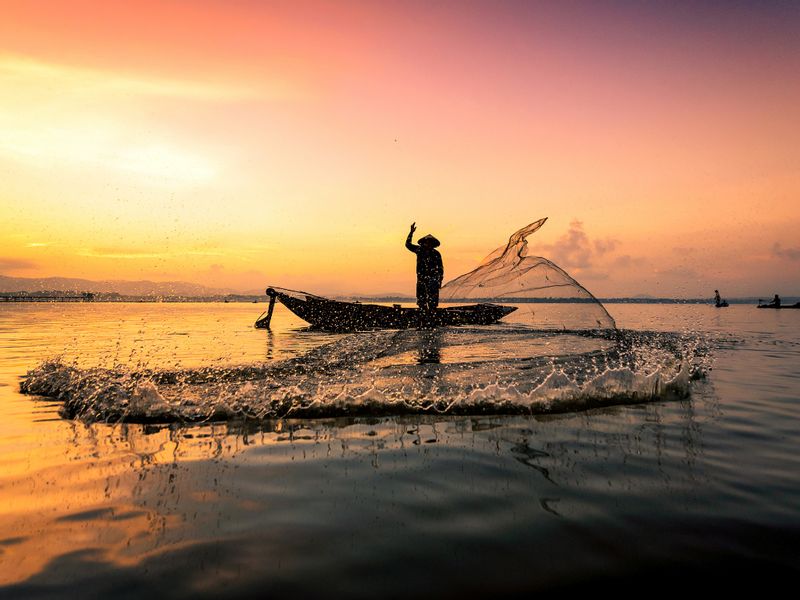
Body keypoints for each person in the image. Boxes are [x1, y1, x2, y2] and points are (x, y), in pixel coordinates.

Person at [405, 222, 444, 314]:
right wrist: (411, 232)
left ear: (433, 244)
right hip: (421, 278)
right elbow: (408, 244)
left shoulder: (436, 254)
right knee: (421, 300)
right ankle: (423, 315)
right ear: (424, 242)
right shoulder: (419, 250)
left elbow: (441, 269)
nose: (428, 244)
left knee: (433, 302)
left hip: (433, 279)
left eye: (430, 242)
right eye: (427, 242)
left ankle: (431, 315)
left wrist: (439, 280)